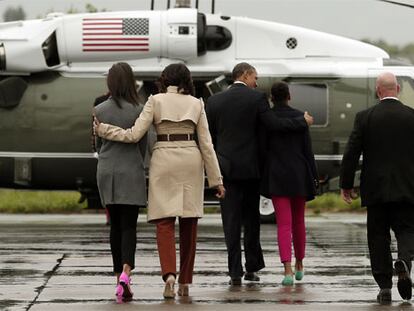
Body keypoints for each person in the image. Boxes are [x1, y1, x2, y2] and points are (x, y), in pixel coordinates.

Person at [94, 63, 225, 299]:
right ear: (186, 80)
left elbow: (133, 135)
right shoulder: (197, 103)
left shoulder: (154, 101)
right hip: (190, 157)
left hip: (163, 157)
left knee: (164, 223)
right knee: (189, 223)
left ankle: (169, 276)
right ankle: (185, 281)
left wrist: (104, 131)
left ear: (165, 80)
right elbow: (206, 145)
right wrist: (217, 180)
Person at [205, 62, 313, 285]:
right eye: (255, 77)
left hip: (225, 170)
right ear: (244, 75)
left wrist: (216, 166)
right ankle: (252, 267)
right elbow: (273, 125)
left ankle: (234, 271)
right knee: (251, 221)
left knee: (230, 222)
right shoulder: (257, 99)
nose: (257, 81)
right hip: (251, 170)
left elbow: (211, 138)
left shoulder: (214, 101)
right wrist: (301, 121)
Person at [340, 72, 414, 303]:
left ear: (378, 90)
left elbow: (351, 152)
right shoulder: (412, 116)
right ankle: (403, 261)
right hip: (407, 187)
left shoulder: (365, 117)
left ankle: (384, 286)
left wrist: (346, 184)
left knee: (378, 236)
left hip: (376, 188)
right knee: (406, 230)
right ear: (398, 89)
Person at [94, 62, 147, 302]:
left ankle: (118, 279)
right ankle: (127, 271)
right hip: (130, 172)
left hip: (107, 171)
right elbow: (143, 145)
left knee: (114, 226)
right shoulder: (139, 109)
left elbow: (96, 145)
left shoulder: (99, 109)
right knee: (129, 226)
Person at [260, 81, 318, 286]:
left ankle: (287, 270)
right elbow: (307, 150)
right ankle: (300, 264)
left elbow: (263, 150)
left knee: (283, 224)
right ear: (289, 96)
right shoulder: (301, 117)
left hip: (277, 176)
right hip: (299, 175)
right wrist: (314, 175)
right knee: (299, 222)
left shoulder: (268, 118)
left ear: (272, 98)